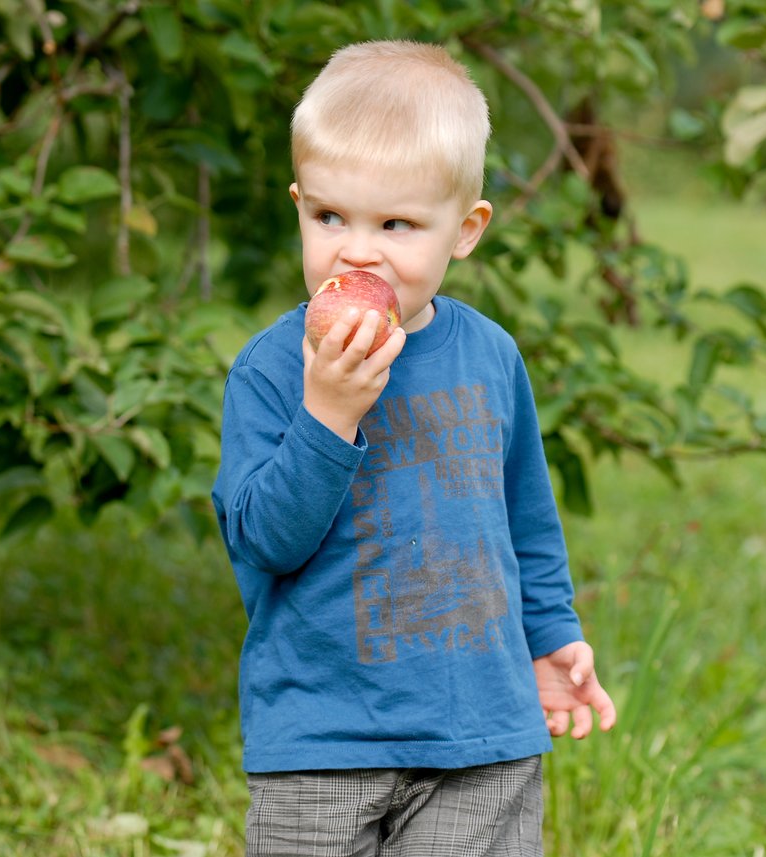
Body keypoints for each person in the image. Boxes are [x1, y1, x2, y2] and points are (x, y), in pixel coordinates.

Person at [211, 39, 617, 856]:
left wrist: (549, 637)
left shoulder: (491, 357)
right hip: (323, 739)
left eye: (395, 223)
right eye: (329, 216)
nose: (356, 251)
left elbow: (527, 522)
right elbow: (260, 540)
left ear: (464, 231)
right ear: (297, 204)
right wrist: (326, 415)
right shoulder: (271, 371)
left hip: (480, 735)